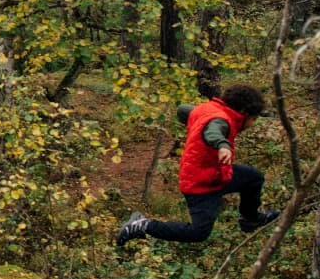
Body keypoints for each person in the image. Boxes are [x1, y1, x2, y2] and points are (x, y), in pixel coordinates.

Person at [116, 84, 279, 247]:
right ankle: (142, 225)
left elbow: (182, 110)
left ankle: (250, 220)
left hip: (217, 175)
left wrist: (196, 117)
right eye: (253, 119)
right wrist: (223, 145)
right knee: (199, 232)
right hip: (201, 185)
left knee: (253, 178)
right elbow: (213, 131)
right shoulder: (222, 121)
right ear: (243, 113)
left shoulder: (209, 110)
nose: (253, 124)